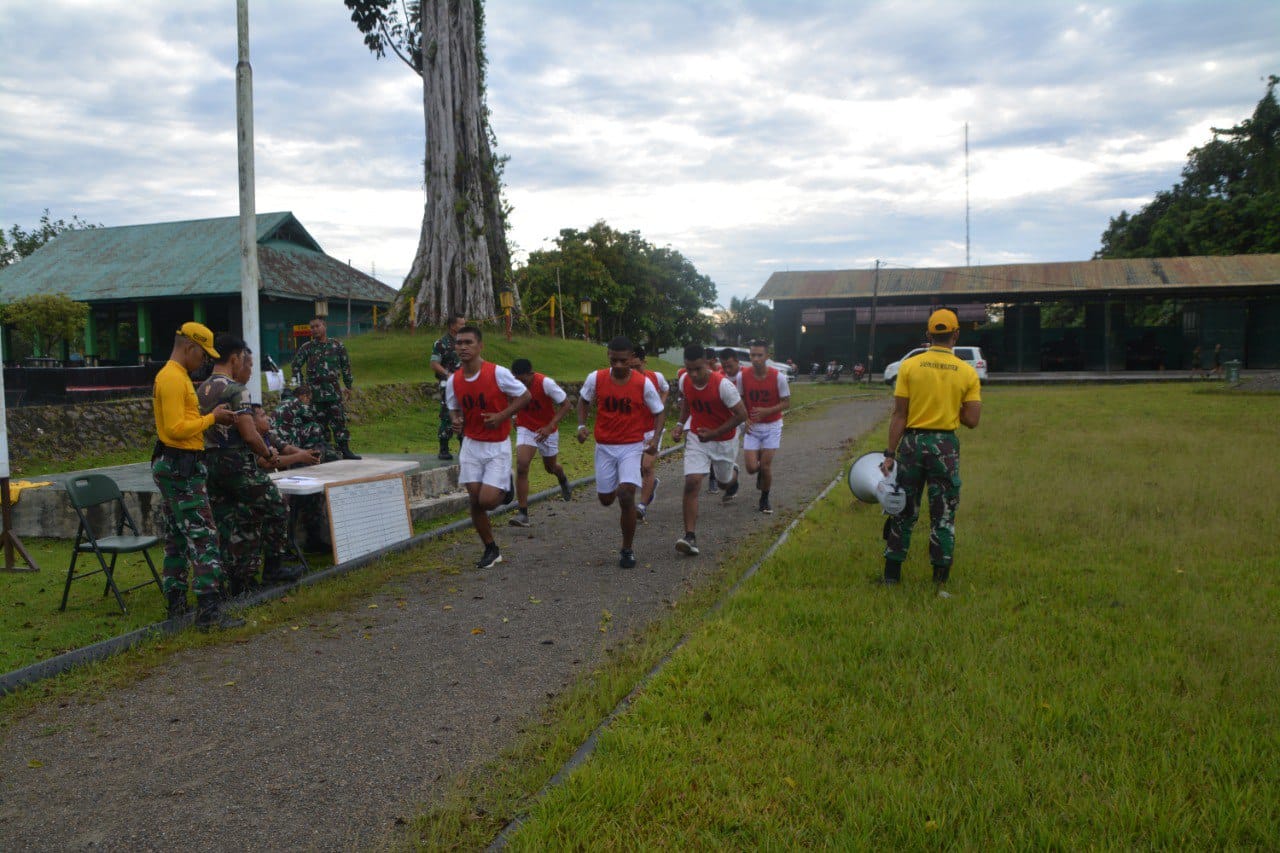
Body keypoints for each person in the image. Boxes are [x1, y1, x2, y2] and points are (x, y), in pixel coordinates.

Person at [879, 308, 982, 596]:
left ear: (928, 335)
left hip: (911, 445)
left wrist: (890, 453)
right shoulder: (967, 371)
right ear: (956, 334)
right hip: (945, 447)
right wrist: (949, 406)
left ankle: (891, 577)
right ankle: (939, 582)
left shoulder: (910, 367)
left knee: (903, 508)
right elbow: (972, 419)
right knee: (943, 514)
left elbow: (899, 415)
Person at [150, 321, 243, 630]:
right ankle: (209, 611)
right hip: (181, 467)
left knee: (177, 536)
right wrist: (211, 418)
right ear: (189, 348)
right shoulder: (174, 379)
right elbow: (176, 429)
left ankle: (176, 604)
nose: (204, 362)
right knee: (203, 536)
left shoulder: (176, 376)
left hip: (177, 464)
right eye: (203, 355)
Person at [199, 335, 304, 597]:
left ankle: (235, 581)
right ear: (235, 359)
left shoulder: (202, 389)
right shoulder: (235, 390)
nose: (248, 369)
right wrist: (267, 452)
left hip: (209, 466)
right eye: (246, 363)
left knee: (229, 522)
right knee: (277, 505)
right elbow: (248, 433)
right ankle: (274, 568)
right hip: (236, 464)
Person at [445, 325, 531, 569]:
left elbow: (525, 396)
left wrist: (503, 415)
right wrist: (456, 420)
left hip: (496, 445)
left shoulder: (498, 373)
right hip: (472, 444)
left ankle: (506, 488)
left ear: (480, 346)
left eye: (468, 342)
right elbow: (453, 407)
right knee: (474, 499)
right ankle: (491, 549)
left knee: (488, 501)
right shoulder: (454, 380)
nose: (462, 347)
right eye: (459, 342)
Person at [576, 336, 665, 569]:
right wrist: (581, 425)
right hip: (604, 447)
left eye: (623, 361)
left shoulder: (642, 383)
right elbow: (583, 401)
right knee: (606, 500)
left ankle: (627, 549)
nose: (617, 366)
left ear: (631, 359)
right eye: (613, 360)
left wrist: (655, 438)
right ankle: (623, 483)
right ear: (608, 356)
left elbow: (659, 411)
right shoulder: (596, 378)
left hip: (631, 446)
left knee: (626, 497)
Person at [671, 343, 748, 556]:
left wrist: (714, 433)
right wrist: (680, 424)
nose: (693, 374)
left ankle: (733, 477)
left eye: (698, 369)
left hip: (724, 440)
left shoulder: (723, 386)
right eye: (689, 369)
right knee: (692, 482)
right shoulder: (685, 380)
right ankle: (690, 536)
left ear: (707, 364)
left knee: (724, 482)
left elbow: (741, 415)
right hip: (697, 437)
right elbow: (688, 402)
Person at [509, 358, 574, 528]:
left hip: (548, 429)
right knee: (522, 465)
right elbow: (510, 399)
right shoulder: (513, 383)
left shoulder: (546, 383)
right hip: (526, 428)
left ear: (531, 374)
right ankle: (523, 513)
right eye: (516, 379)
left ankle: (562, 477)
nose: (519, 383)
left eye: (523, 379)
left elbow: (567, 405)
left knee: (550, 468)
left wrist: (549, 425)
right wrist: (514, 417)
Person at [291, 316, 359, 459]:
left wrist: (348, 386)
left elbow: (345, 366)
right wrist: (301, 387)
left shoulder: (337, 345)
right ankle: (325, 452)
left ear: (324, 326)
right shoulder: (307, 347)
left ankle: (345, 450)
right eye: (312, 327)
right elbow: (296, 366)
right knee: (318, 424)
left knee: (339, 421)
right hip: (314, 394)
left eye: (317, 326)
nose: (314, 330)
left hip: (333, 392)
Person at [736, 340, 791, 515]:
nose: (756, 359)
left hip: (773, 425)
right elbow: (741, 399)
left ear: (767, 356)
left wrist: (767, 411)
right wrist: (745, 418)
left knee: (766, 465)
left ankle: (764, 498)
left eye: (760, 355)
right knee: (752, 468)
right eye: (752, 355)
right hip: (753, 426)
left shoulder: (778, 377)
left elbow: (786, 402)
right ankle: (760, 474)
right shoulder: (742, 376)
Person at [631, 344, 670, 521]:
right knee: (638, 468)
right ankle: (651, 485)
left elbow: (666, 387)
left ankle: (642, 506)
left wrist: (659, 404)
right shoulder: (625, 382)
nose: (633, 371)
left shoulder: (656, 377)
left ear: (644, 362)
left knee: (647, 466)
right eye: (630, 367)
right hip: (634, 431)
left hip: (653, 430)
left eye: (636, 366)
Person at [431, 313, 466, 460]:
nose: (464, 327)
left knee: (465, 413)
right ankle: (444, 447)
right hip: (448, 385)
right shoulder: (441, 343)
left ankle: (465, 448)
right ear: (452, 326)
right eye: (461, 324)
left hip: (465, 384)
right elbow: (434, 364)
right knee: (447, 413)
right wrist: (448, 374)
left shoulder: (465, 343)